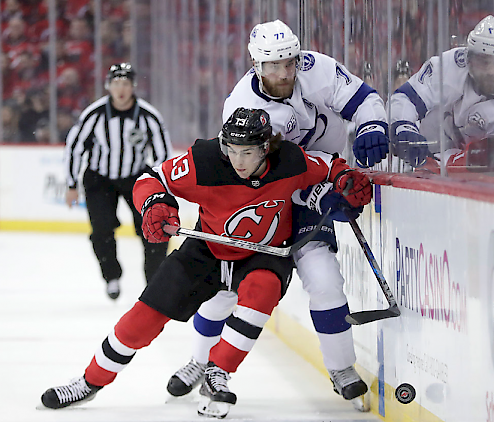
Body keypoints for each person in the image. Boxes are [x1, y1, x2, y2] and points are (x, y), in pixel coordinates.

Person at [41, 107, 373, 418]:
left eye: (248, 152)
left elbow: (329, 165)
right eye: (232, 149)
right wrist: (155, 205)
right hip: (206, 250)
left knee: (264, 289)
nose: (238, 161)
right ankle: (90, 381)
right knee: (142, 318)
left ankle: (219, 372)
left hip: (264, 255)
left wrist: (346, 180)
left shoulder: (290, 161)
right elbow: (150, 179)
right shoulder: (205, 161)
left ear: (266, 148)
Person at [165, 19, 387, 408]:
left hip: (314, 181)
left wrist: (370, 127)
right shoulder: (242, 107)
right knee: (223, 292)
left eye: (289, 62)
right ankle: (200, 360)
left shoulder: (316, 68)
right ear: (256, 66)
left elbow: (365, 99)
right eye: (273, 66)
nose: (284, 73)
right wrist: (321, 189)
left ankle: (341, 368)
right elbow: (250, 172)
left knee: (324, 280)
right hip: (261, 203)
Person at [63, 63, 172, 299]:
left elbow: (163, 155)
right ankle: (111, 275)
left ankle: (154, 282)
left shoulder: (149, 116)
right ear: (108, 87)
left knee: (152, 229)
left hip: (136, 177)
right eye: (115, 83)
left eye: (125, 83)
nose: (120, 89)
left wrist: (162, 187)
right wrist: (71, 184)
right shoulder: (94, 115)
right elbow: (74, 148)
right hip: (99, 178)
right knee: (101, 230)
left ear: (133, 86)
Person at [389, 15, 494, 167]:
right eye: (479, 58)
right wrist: (404, 127)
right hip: (417, 159)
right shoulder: (452, 64)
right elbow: (405, 97)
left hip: (472, 175)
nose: (486, 69)